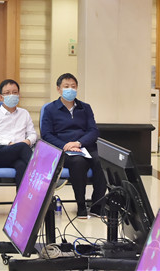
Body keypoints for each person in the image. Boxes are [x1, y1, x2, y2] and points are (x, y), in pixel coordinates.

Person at [41, 73, 107, 218]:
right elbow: (46, 134)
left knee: (101, 162)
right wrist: (65, 145)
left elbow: (93, 130)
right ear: (58, 89)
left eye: (73, 86)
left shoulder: (85, 108)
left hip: (85, 145)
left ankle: (97, 205)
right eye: (66, 86)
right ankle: (81, 204)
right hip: (63, 149)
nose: (70, 89)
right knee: (78, 162)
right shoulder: (50, 109)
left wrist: (79, 143)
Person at [0, 79, 36, 187]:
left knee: (22, 166)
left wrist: (27, 141)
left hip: (19, 154)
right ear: (1, 97)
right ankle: (41, 171)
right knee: (22, 147)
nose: (11, 95)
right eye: (7, 93)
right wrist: (10, 143)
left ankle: (23, 197)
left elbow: (33, 134)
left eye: (14, 92)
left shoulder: (24, 113)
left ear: (19, 95)